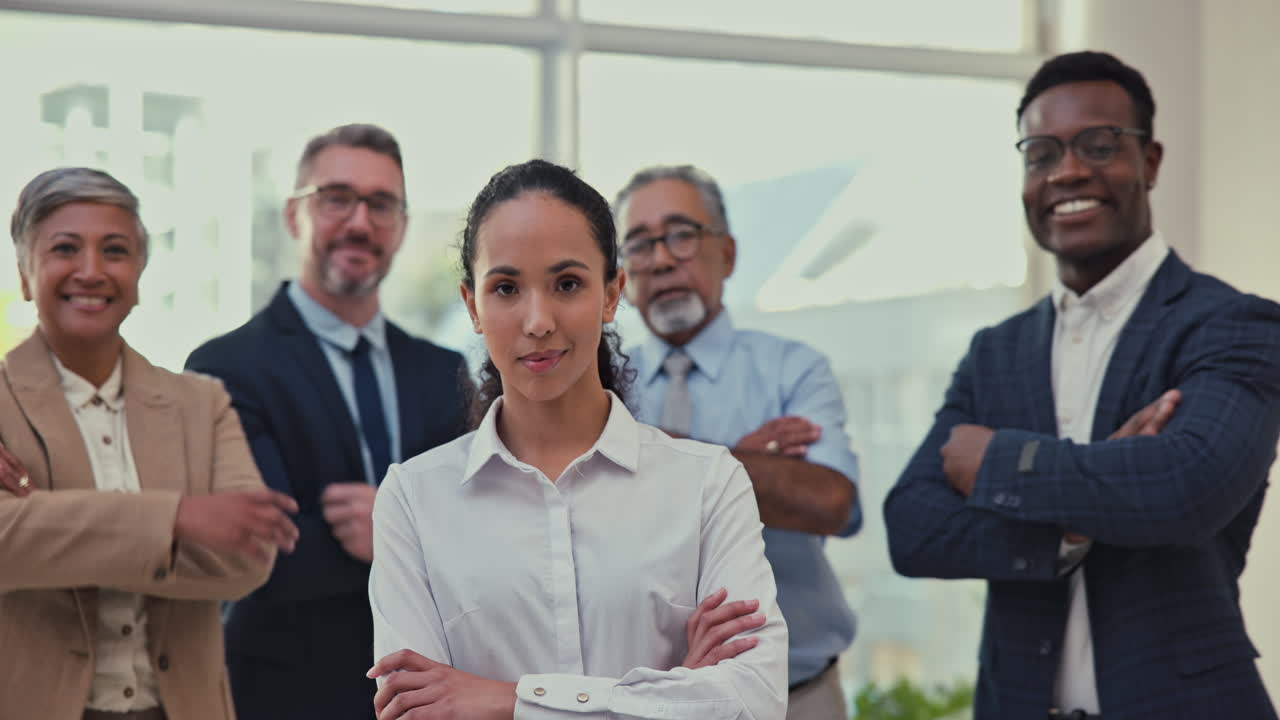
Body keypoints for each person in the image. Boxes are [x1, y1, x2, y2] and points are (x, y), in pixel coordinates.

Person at [883, 51, 1280, 720]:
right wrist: (1073, 526)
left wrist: (997, 463)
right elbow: (913, 528)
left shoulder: (1232, 324)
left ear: (1150, 162)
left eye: (1099, 146)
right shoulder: (995, 353)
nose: (1067, 171)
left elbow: (1183, 488)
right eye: (1041, 154)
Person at [366, 159, 788, 720]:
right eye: (506, 287)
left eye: (567, 284)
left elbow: (752, 703)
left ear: (612, 293)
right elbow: (418, 713)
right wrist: (675, 690)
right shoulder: (413, 500)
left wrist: (502, 700)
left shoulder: (708, 483)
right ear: (472, 305)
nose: (537, 320)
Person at [185, 124, 468, 720]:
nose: (360, 223)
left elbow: (485, 537)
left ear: (402, 225)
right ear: (294, 215)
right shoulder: (225, 367)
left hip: (433, 694)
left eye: (381, 204)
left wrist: (389, 529)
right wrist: (426, 535)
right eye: (337, 198)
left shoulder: (444, 372)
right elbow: (265, 555)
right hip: (285, 696)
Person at [0, 167, 299, 720]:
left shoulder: (202, 403)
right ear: (23, 273)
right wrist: (178, 520)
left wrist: (48, 529)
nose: (91, 271)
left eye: (114, 250)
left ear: (138, 273)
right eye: (65, 248)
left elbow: (248, 557)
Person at [614, 164, 860, 719]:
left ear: (726, 253)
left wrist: (660, 457)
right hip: (643, 702)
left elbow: (829, 502)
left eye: (680, 234)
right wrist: (738, 462)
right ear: (622, 276)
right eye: (639, 244)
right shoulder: (602, 391)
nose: (659, 259)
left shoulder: (791, 369)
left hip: (797, 698)